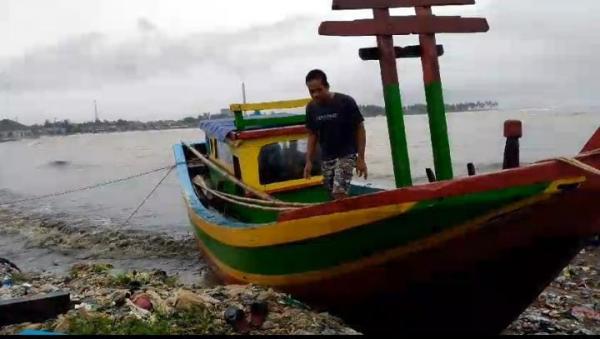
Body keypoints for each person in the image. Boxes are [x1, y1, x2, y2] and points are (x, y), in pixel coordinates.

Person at [303, 69, 368, 200]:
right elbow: (312, 135)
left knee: (339, 192)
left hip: (346, 155)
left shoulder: (345, 102)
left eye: (319, 90)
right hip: (327, 158)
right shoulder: (311, 108)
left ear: (327, 86)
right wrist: (308, 161)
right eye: (312, 92)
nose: (315, 94)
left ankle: (349, 219)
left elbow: (360, 129)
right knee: (332, 195)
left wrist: (361, 158)